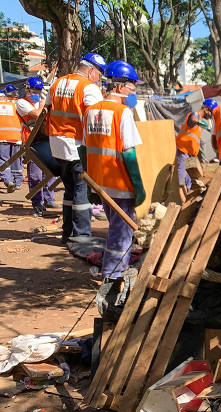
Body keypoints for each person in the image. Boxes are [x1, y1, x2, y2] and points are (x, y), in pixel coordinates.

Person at [81, 60, 144, 284]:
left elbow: (84, 149)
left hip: (99, 182)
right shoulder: (122, 112)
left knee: (116, 228)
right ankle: (113, 275)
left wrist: (90, 185)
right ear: (119, 87)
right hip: (119, 184)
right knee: (122, 233)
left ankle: (117, 269)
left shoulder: (90, 111)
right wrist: (138, 186)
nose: (132, 92)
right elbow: (128, 154)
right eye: (132, 87)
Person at [46, 52, 106, 242]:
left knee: (69, 189)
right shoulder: (89, 88)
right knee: (82, 191)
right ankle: (81, 237)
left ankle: (67, 233)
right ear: (90, 71)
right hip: (77, 146)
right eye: (99, 75)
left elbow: (46, 108)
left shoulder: (57, 83)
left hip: (57, 145)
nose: (99, 79)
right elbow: (97, 118)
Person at [16, 76, 58, 215]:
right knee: (35, 175)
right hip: (32, 142)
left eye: (38, 90)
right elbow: (38, 114)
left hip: (46, 140)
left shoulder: (40, 101)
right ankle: (37, 203)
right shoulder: (21, 103)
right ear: (27, 89)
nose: (36, 92)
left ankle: (49, 199)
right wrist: (43, 103)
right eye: (33, 90)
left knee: (50, 172)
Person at [174, 98, 217, 192]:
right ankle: (183, 204)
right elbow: (192, 119)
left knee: (189, 182)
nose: (211, 115)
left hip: (190, 155)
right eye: (211, 112)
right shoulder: (195, 115)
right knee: (182, 181)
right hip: (183, 151)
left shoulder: (200, 120)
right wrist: (200, 123)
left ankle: (187, 202)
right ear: (206, 109)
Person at [0, 85, 23, 192]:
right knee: (16, 160)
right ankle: (17, 182)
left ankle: (8, 181)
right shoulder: (16, 104)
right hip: (16, 136)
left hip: (1, 137)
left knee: (4, 160)